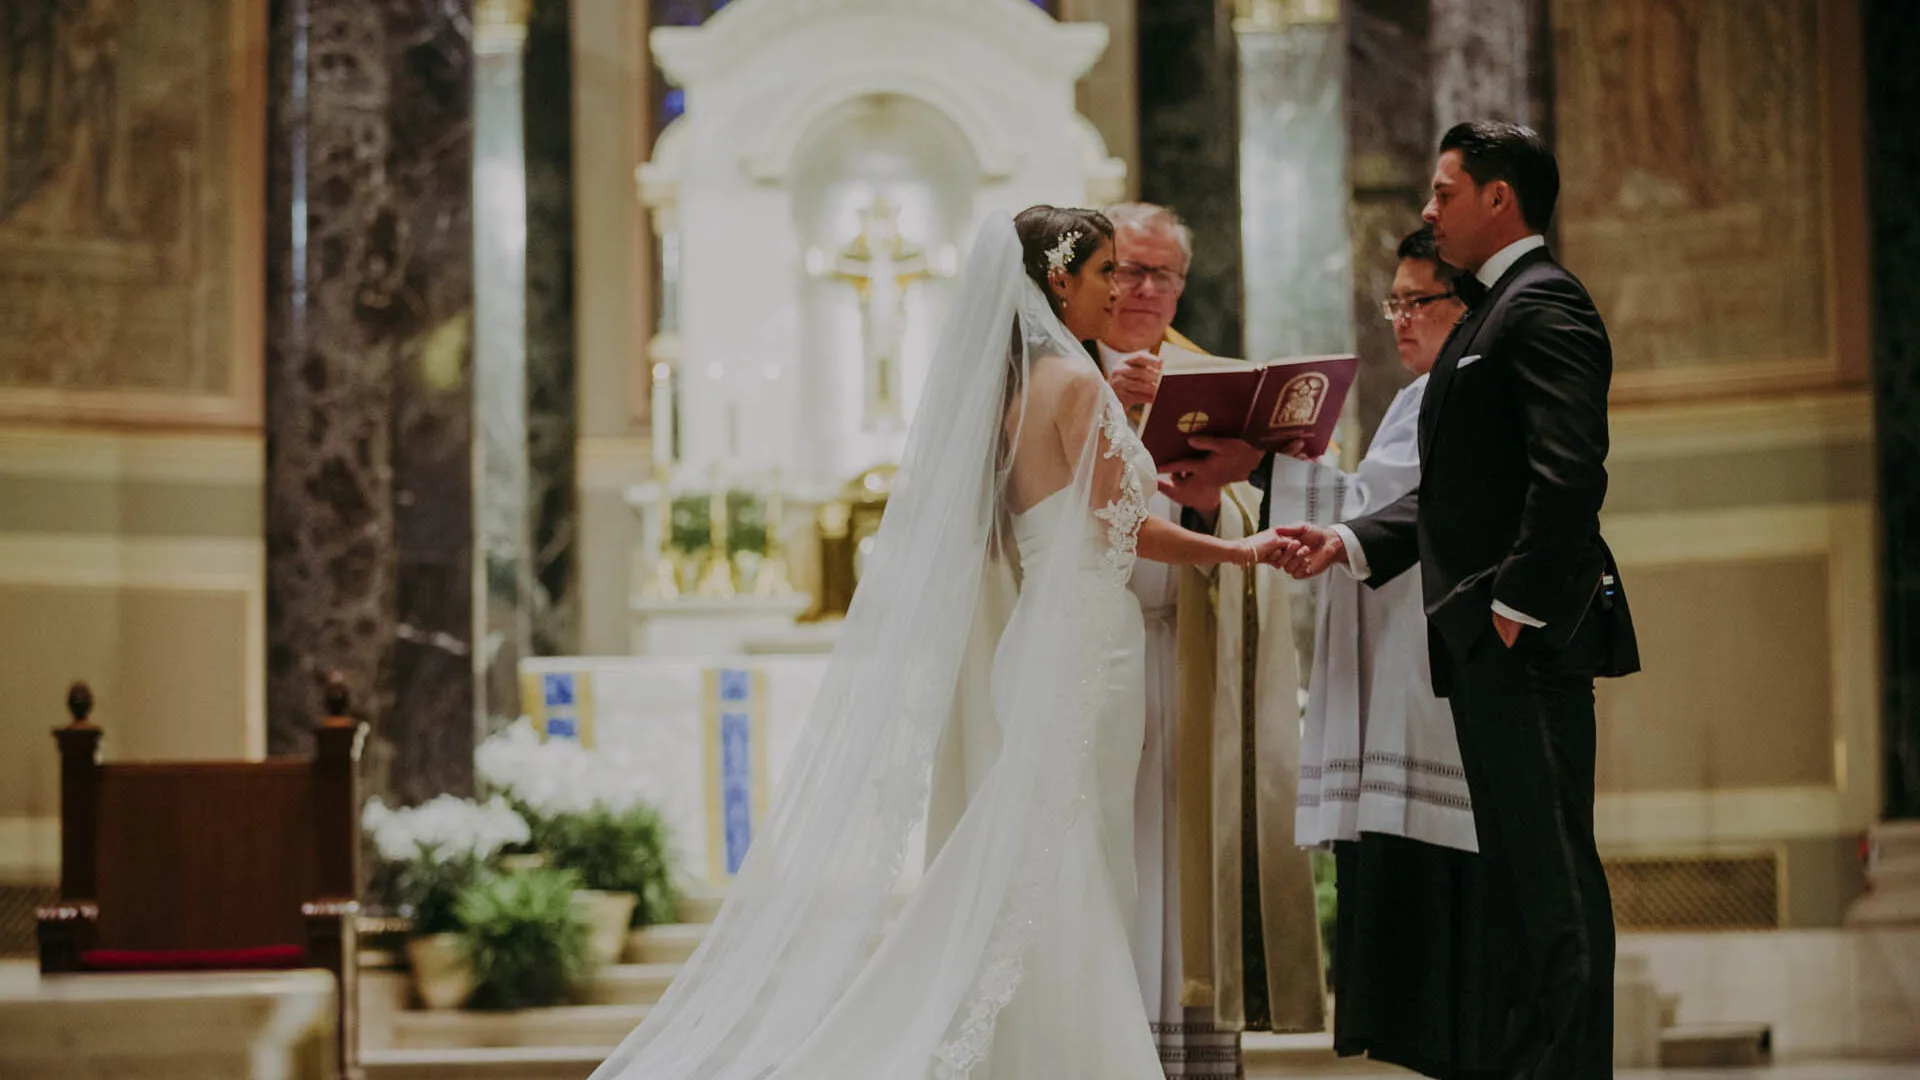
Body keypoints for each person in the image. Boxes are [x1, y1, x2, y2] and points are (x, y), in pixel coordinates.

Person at [591, 207, 1294, 1080]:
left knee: (1050, 849)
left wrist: (1127, 413)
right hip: (1091, 646)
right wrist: (1240, 550)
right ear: (1059, 281)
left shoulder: (1017, 392)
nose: (1120, 290)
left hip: (1039, 638)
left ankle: (1031, 1049)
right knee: (1075, 854)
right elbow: (1124, 527)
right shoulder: (1076, 386)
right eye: (1107, 271)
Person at [1272, 123, 1641, 1080]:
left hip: (1525, 642)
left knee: (1554, 883)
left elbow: (1568, 475)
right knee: (1517, 883)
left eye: (1444, 192)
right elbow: (1450, 493)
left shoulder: (1543, 301)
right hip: (1482, 647)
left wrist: (1515, 611)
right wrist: (1350, 540)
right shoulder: (1492, 312)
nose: (1430, 210)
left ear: (1498, 197)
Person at [1261, 225, 1506, 1078]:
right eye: (1391, 304)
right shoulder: (1418, 396)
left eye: (1416, 303)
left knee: (1451, 930)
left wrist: (1269, 467)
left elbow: (1386, 511)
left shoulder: (1464, 389)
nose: (1398, 320)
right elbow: (1374, 503)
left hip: (1433, 679)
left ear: (1464, 305)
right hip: (1404, 668)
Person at [1097, 201, 1326, 1079]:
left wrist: (1209, 503)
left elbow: (1237, 507)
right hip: (1095, 647)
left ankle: (1183, 1050)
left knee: (1184, 852)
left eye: (1165, 274)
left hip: (1191, 650)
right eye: (1127, 269)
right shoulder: (1062, 370)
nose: (1145, 289)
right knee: (1111, 845)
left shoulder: (1209, 377)